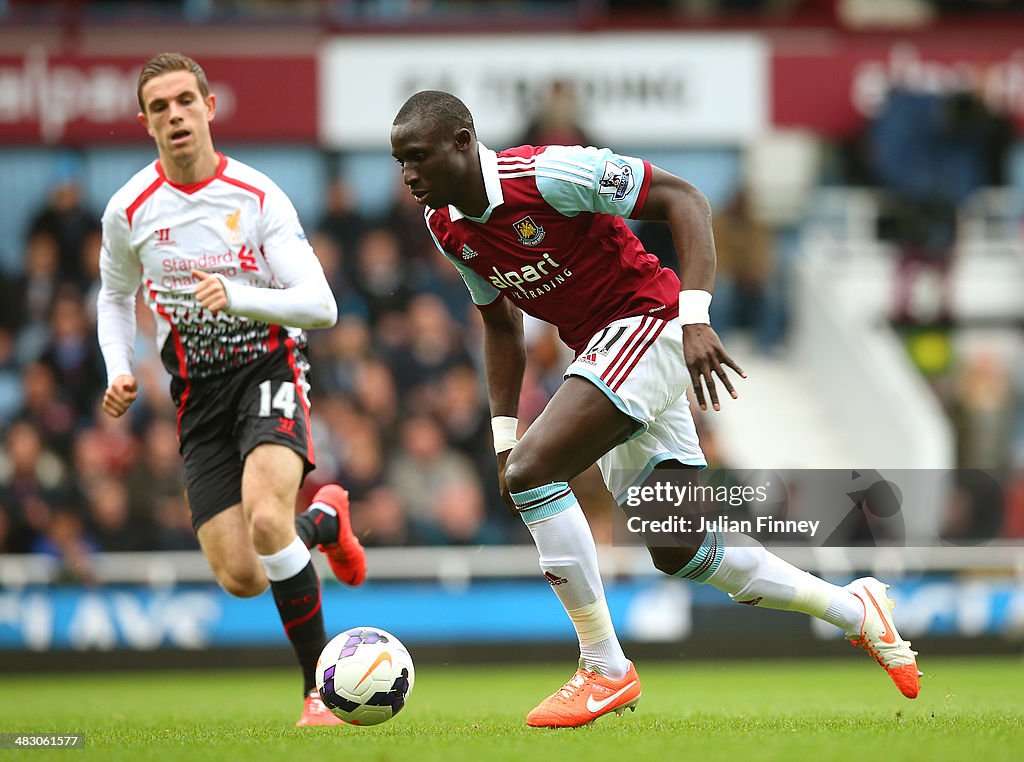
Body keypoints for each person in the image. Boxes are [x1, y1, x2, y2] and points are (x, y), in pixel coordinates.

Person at [390, 90, 922, 728]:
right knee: (679, 547)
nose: (409, 176)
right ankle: (857, 610)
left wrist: (695, 316)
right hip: (604, 352)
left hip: (651, 323)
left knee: (532, 474)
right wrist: (504, 429)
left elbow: (684, 199)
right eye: (399, 162)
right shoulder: (446, 227)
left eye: (417, 157)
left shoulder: (547, 174)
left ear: (462, 141)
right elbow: (501, 325)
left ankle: (603, 668)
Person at [97, 53, 366, 727]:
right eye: (159, 107)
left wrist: (242, 298)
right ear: (145, 122)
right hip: (198, 397)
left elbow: (322, 305)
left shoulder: (257, 197)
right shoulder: (128, 210)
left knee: (268, 519)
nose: (175, 115)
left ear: (210, 107)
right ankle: (325, 521)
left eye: (185, 100)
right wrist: (117, 366)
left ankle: (318, 690)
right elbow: (113, 296)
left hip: (268, 374)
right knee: (243, 574)